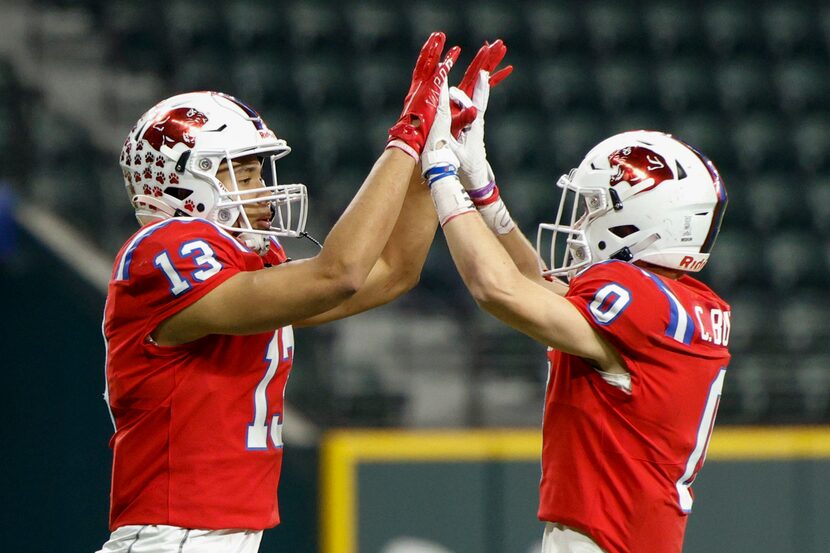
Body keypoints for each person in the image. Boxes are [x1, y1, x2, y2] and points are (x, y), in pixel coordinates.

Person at [96, 32, 466, 553]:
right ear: (183, 183)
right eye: (243, 173)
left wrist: (435, 156)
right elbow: (340, 274)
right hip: (176, 535)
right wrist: (405, 138)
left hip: (213, 536)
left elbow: (393, 271)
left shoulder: (243, 262)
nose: (262, 187)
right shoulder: (165, 249)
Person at [422, 60, 731, 553]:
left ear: (646, 219)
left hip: (607, 539)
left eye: (595, 206)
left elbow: (498, 291)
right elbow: (531, 285)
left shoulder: (642, 299)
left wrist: (439, 171)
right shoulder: (676, 304)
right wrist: (482, 188)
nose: (583, 220)